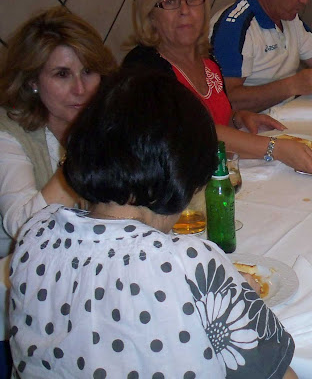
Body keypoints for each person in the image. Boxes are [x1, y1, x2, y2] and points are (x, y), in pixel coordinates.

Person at [9, 70, 297, 378]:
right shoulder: (189, 262)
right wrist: (229, 293)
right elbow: (274, 373)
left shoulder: (35, 233)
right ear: (188, 179)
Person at [0, 6, 117, 377]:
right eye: (62, 74)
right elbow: (23, 226)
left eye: (88, 71)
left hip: (84, 281)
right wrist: (82, 156)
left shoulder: (107, 119)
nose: (80, 89)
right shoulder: (8, 134)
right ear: (32, 81)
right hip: (16, 298)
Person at [123, 0, 312, 172]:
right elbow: (195, 132)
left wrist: (237, 118)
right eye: (170, 2)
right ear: (151, 15)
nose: (185, 10)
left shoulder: (207, 60)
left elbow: (214, 116)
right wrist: (274, 148)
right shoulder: (143, 67)